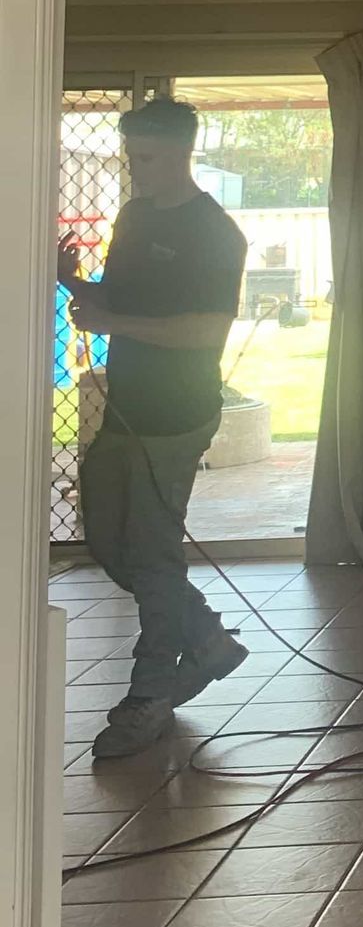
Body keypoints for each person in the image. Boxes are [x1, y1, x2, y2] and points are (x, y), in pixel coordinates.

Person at [59, 97, 251, 761]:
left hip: (177, 415)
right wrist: (75, 284)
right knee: (113, 544)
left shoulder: (216, 234)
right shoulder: (134, 218)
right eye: (131, 155)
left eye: (148, 156)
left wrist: (118, 325)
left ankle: (150, 696)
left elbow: (205, 329)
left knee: (152, 550)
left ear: (181, 152)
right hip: (127, 408)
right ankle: (206, 640)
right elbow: (121, 298)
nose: (136, 169)